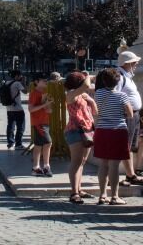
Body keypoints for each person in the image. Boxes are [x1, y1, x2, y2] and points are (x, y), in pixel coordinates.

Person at [93, 67, 133, 205]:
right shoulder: (122, 96)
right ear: (117, 81)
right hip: (117, 131)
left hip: (101, 130)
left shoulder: (98, 93)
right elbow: (130, 114)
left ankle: (102, 195)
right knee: (114, 165)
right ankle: (115, 196)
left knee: (103, 164)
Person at [113, 50, 143, 188]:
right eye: (134, 62)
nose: (136, 64)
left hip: (132, 115)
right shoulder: (120, 77)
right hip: (126, 115)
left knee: (128, 147)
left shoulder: (126, 76)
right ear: (127, 63)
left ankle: (130, 174)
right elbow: (115, 95)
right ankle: (118, 175)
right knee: (124, 146)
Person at [64, 71, 97, 204]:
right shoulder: (71, 94)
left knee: (82, 162)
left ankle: (78, 189)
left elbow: (95, 112)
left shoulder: (83, 95)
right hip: (75, 130)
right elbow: (86, 86)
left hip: (87, 130)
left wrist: (91, 101)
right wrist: (88, 76)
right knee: (76, 162)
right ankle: (74, 193)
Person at [28, 73, 54, 176]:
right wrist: (45, 105)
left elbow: (49, 111)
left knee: (38, 145)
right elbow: (31, 109)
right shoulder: (34, 93)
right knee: (48, 142)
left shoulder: (43, 93)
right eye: (44, 80)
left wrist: (48, 105)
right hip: (39, 122)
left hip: (44, 122)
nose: (46, 82)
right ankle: (46, 167)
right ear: (36, 82)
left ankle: (36, 168)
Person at [4, 70, 27, 150]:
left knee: (10, 126)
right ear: (16, 76)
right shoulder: (17, 83)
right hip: (18, 109)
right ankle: (18, 144)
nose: (21, 77)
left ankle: (10, 143)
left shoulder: (7, 83)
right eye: (20, 76)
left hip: (9, 108)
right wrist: (24, 82)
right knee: (21, 126)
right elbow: (25, 91)